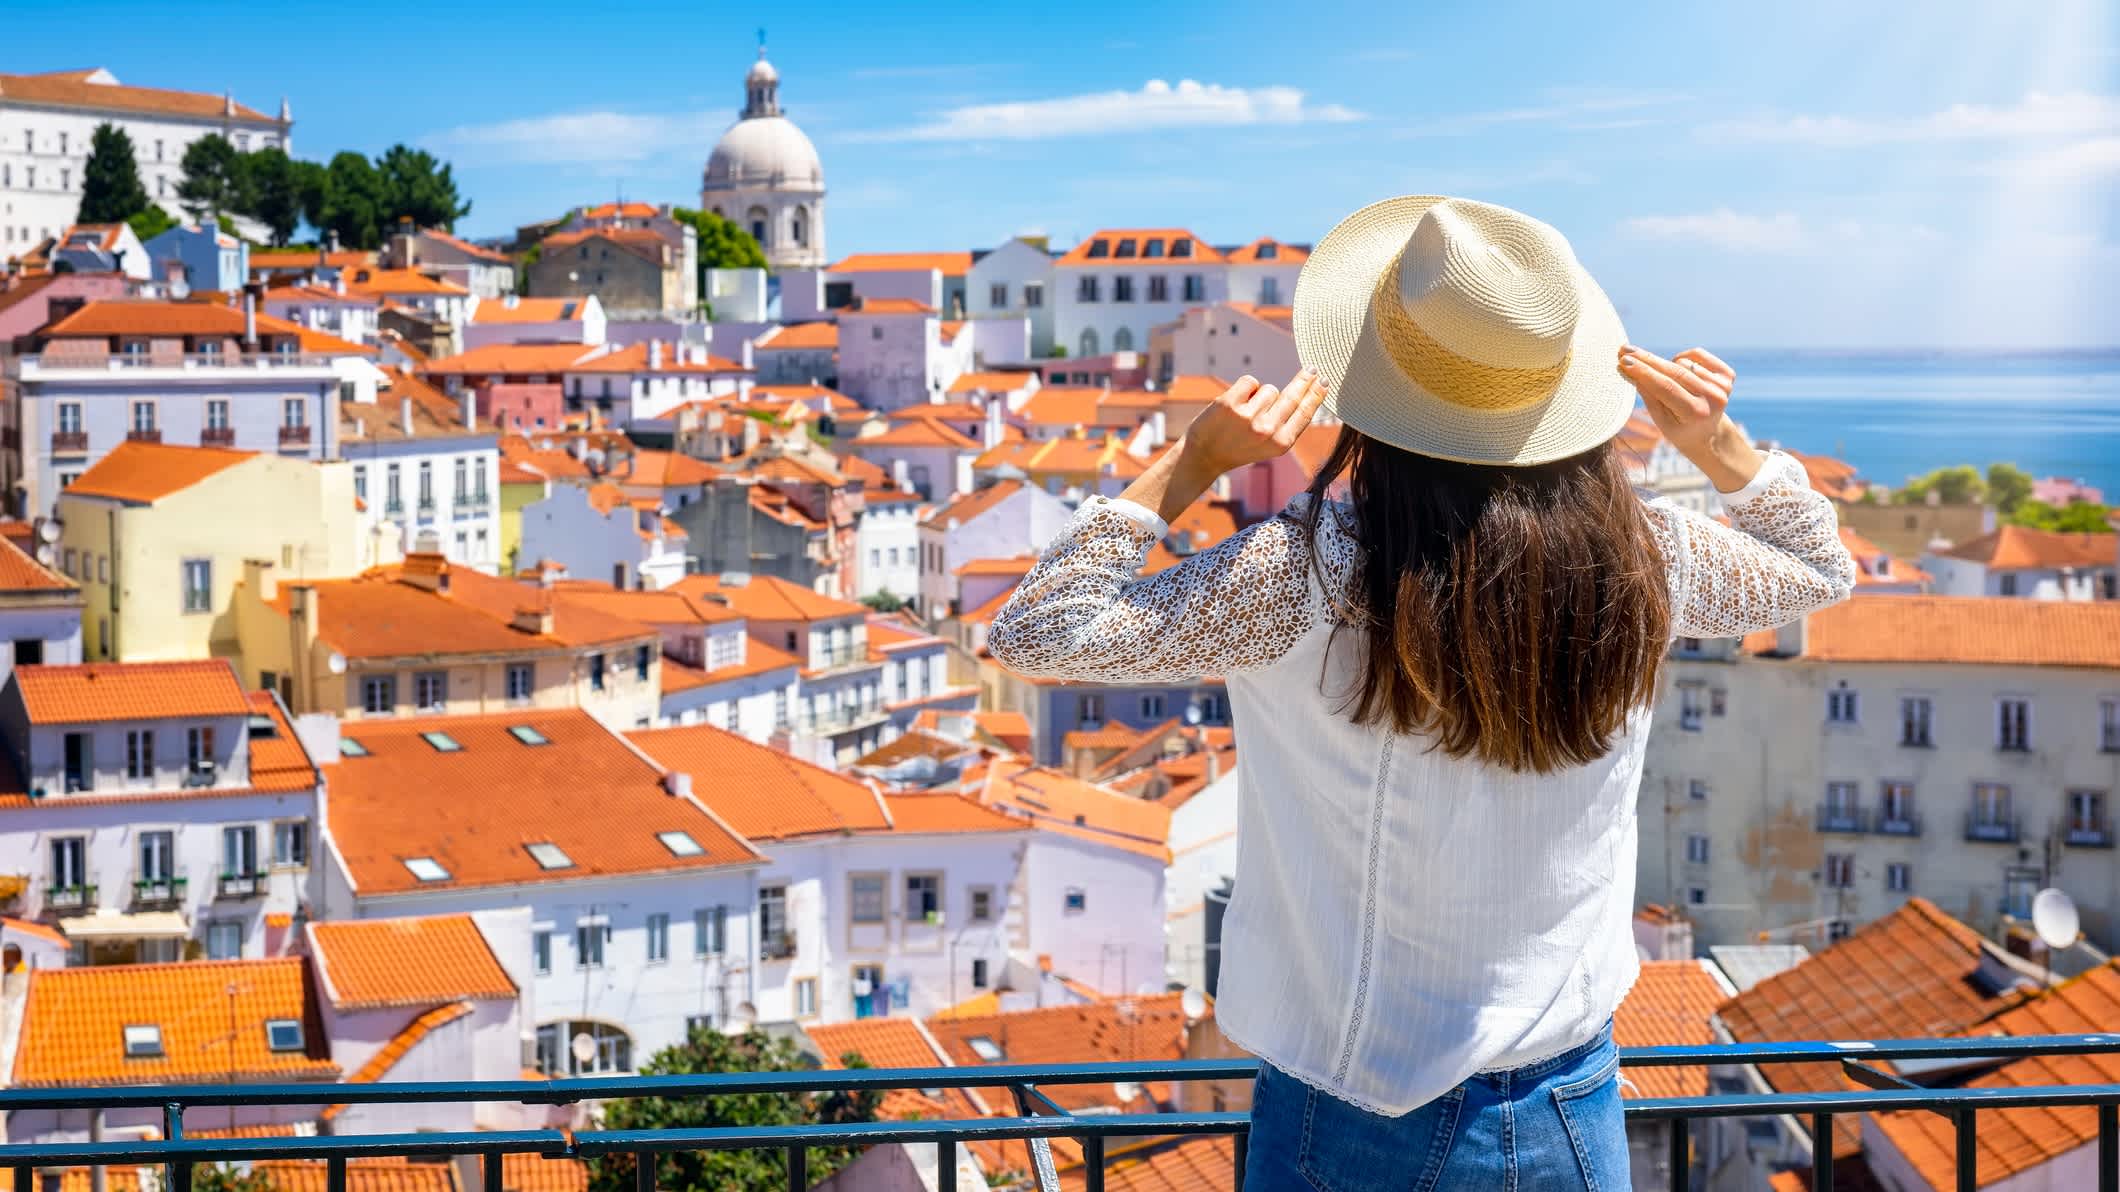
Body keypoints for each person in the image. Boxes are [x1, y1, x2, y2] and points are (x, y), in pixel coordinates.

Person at [987, 196, 1855, 1189]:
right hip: (1569, 1105)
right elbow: (1816, 569)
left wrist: (1189, 465)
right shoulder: (1645, 554)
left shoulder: (1301, 571)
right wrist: (1720, 451)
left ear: (1377, 389)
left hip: (1348, 1115)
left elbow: (1038, 630)